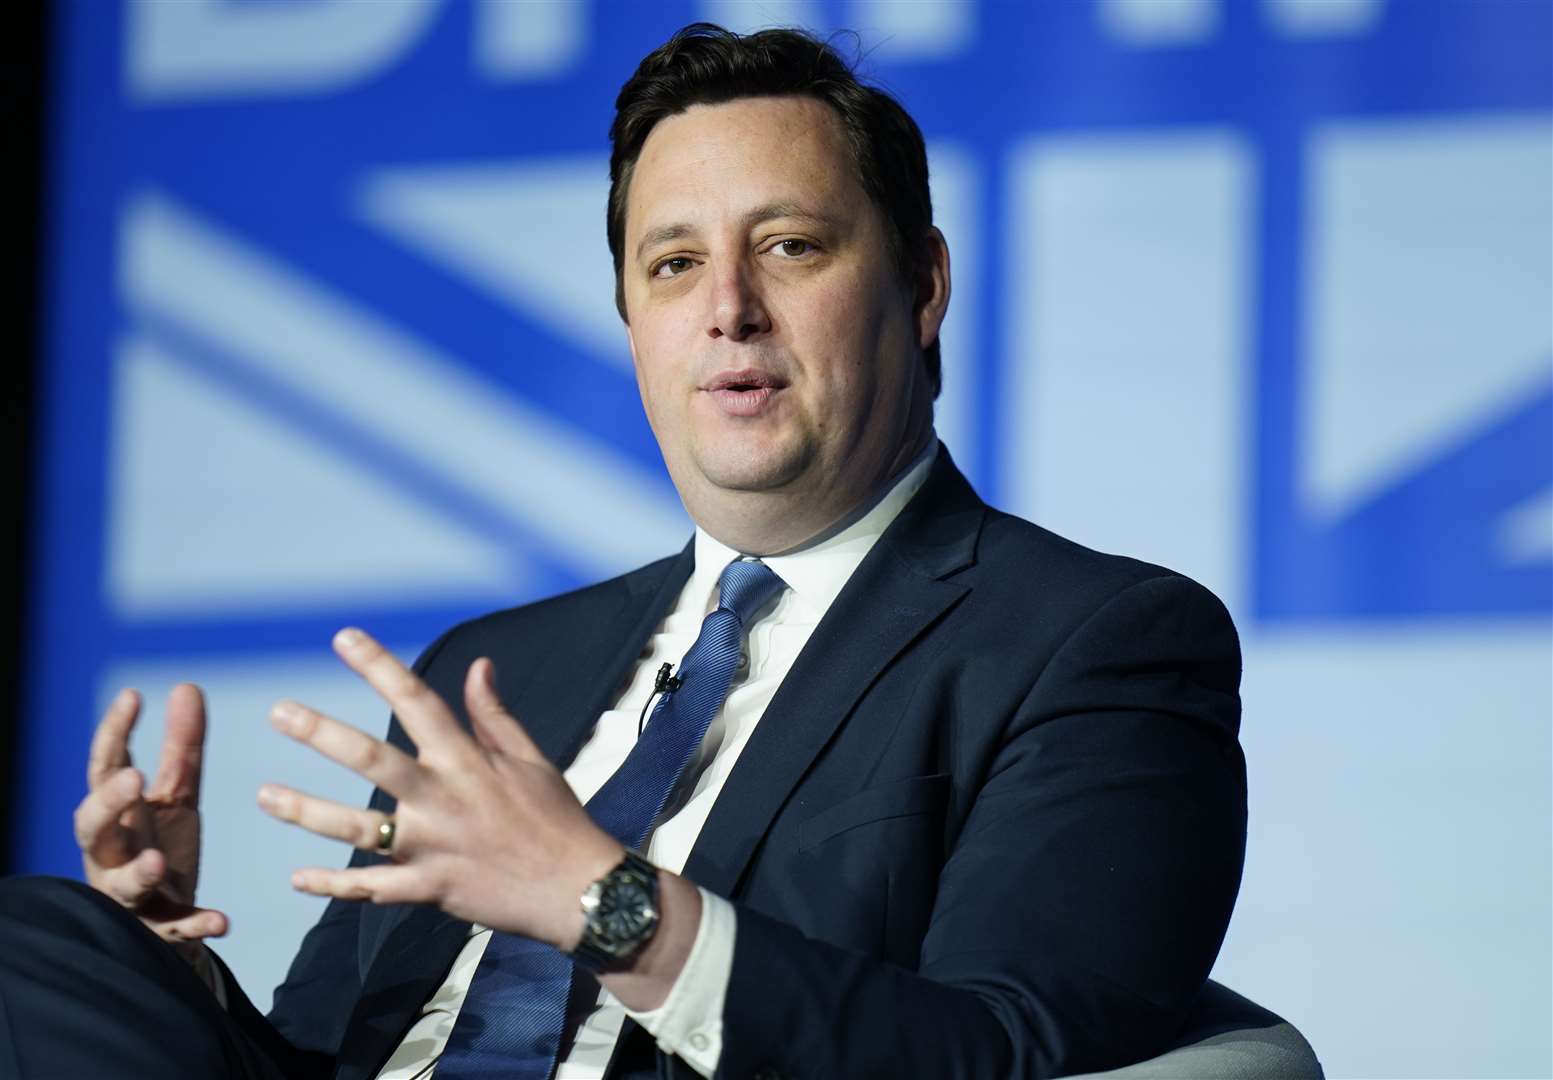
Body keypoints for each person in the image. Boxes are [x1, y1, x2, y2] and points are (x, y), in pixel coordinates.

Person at [0, 23, 1247, 1080]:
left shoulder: (1094, 642)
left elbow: (1007, 1054)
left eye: (790, 247)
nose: (728, 308)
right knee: (41, 941)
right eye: (674, 264)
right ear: (633, 324)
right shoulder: (492, 669)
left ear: (921, 286)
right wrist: (169, 984)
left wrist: (608, 908)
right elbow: (332, 1057)